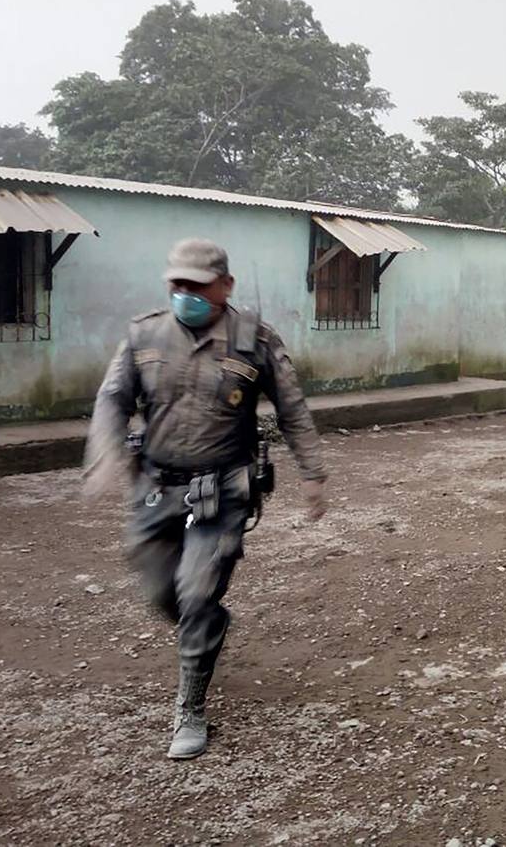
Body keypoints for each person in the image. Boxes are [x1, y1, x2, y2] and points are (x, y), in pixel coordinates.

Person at [83, 238, 329, 761]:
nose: (185, 293)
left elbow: (293, 409)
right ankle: (207, 626)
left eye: (197, 284)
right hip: (155, 487)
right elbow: (113, 399)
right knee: (160, 591)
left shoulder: (255, 340)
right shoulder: (144, 333)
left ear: (225, 286)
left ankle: (190, 706)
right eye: (178, 283)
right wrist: (105, 454)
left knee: (195, 593)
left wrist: (313, 475)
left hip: (222, 491)